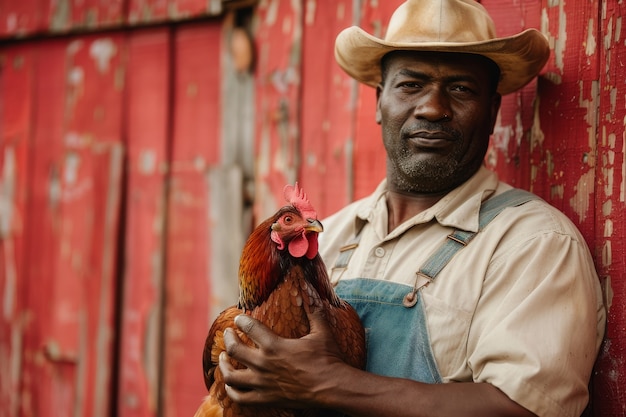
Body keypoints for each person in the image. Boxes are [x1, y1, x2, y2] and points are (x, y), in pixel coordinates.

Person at [218, 0, 607, 416]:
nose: (433, 108)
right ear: (378, 101)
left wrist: (331, 384)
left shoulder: (533, 243)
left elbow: (523, 409)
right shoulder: (330, 236)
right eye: (411, 84)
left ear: (492, 112)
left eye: (461, 88)